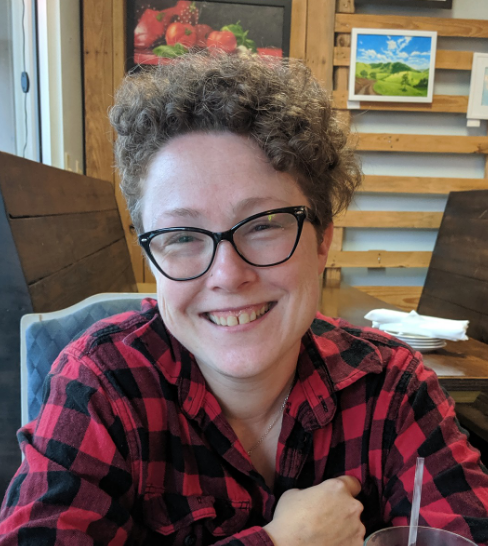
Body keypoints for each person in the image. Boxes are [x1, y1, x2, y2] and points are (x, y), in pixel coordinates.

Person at [1, 52, 488, 546]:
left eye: (264, 226)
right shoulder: (100, 389)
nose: (227, 275)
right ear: (151, 258)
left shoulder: (392, 389)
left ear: (323, 242)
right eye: (182, 236)